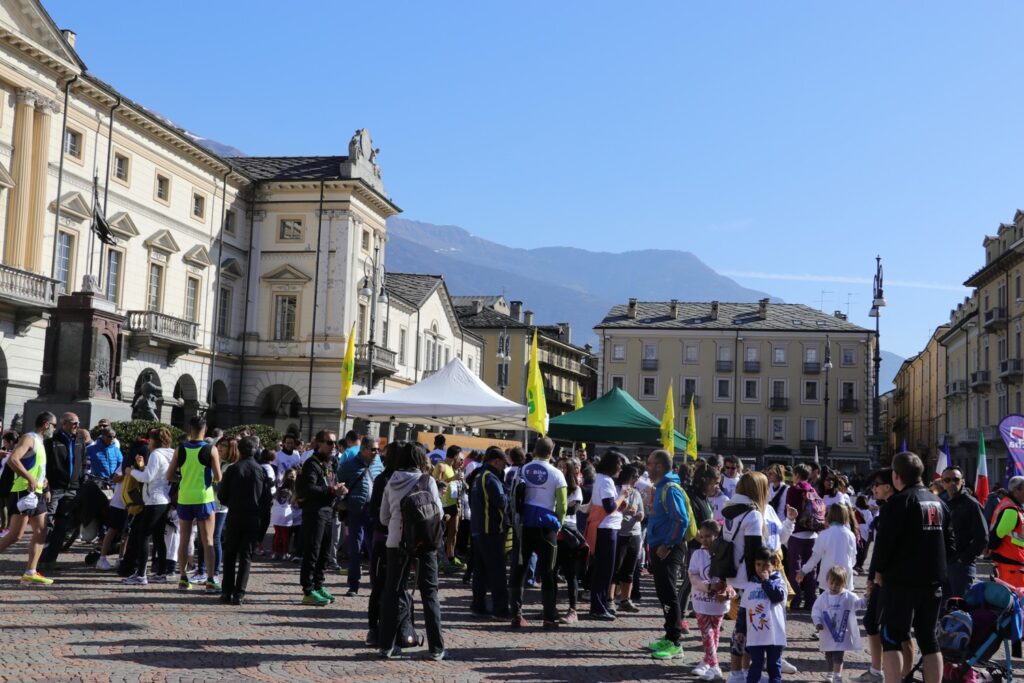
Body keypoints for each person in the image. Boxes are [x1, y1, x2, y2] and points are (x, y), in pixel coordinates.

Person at [873, 451, 955, 683]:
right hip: (933, 580)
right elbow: (951, 545)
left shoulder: (898, 503)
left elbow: (884, 544)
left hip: (901, 581)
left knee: (891, 636)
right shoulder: (940, 502)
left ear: (896, 476)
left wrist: (878, 572)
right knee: (929, 638)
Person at [379, 441, 446, 661]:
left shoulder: (391, 482)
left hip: (397, 541)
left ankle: (386, 645)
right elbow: (437, 510)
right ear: (420, 460)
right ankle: (436, 647)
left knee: (392, 592)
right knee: (430, 593)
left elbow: (383, 518)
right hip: (424, 541)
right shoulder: (427, 481)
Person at [857, 468, 913, 683]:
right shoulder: (885, 509)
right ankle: (875, 669)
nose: (873, 489)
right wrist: (871, 577)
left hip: (896, 579)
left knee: (901, 630)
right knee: (871, 621)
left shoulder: (900, 507)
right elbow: (880, 548)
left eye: (877, 485)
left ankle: (904, 674)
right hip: (880, 574)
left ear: (889, 486)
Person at [509, 436, 567, 630]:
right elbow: (563, 504)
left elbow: (513, 497)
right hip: (546, 527)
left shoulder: (522, 470)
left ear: (534, 451)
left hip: (524, 525)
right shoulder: (557, 473)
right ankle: (549, 618)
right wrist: (558, 523)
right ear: (551, 453)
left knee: (519, 570)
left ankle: (516, 615)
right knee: (548, 573)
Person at [167, 416, 222, 592]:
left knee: (184, 539)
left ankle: (183, 578)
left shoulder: (180, 449)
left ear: (190, 429)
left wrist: (182, 479)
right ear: (205, 429)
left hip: (184, 497)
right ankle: (211, 579)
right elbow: (218, 477)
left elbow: (169, 476)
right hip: (203, 498)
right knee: (208, 541)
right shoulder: (210, 449)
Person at [644, 448, 690, 660]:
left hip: (668, 548)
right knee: (663, 593)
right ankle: (669, 634)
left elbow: (681, 520)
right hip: (660, 546)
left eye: (650, 463)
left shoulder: (670, 488)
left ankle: (675, 642)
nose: (647, 466)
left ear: (660, 466)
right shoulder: (662, 487)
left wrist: (668, 545)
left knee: (669, 593)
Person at [0, 412, 56, 584]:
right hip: (22, 492)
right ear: (46, 424)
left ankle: (30, 571)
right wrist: (29, 478)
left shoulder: (40, 442)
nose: (55, 429)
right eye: (53, 425)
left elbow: (37, 468)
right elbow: (13, 460)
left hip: (36, 494)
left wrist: (44, 484)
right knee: (16, 535)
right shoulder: (29, 438)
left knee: (41, 531)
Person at [297, 430, 347, 606]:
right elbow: (310, 488)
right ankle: (308, 590)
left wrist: (339, 489)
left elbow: (331, 482)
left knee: (325, 551)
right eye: (329, 442)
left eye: (334, 443)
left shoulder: (331, 462)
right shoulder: (311, 464)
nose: (333, 446)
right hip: (315, 512)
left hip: (328, 511)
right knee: (313, 551)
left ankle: (319, 584)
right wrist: (332, 490)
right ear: (319, 444)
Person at [217, 435, 268, 605]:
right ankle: (239, 593)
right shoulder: (261, 470)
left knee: (230, 554)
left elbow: (222, 495)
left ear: (239, 450)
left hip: (235, 516)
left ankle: (226, 592)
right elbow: (266, 500)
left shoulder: (233, 469)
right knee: (246, 556)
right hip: (253, 517)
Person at [123, 427, 174, 584]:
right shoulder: (170, 454)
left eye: (150, 439)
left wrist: (131, 471)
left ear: (155, 441)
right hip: (164, 499)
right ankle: (161, 572)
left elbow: (148, 477)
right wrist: (142, 467)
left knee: (143, 536)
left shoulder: (156, 454)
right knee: (158, 537)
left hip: (154, 500)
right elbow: (156, 474)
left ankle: (141, 574)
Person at [39, 412, 89, 569]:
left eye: (78, 423)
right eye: (74, 423)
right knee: (47, 525)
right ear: (64, 424)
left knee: (62, 526)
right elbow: (44, 467)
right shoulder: (51, 441)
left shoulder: (79, 441)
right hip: (54, 489)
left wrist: (80, 484)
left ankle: (50, 560)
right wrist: (46, 488)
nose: (77, 426)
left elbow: (82, 464)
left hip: (72, 490)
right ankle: (38, 560)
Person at [336, 436, 384, 596]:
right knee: (355, 548)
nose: (376, 452)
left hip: (374, 511)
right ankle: (354, 584)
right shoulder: (347, 466)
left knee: (375, 549)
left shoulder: (378, 463)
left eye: (378, 449)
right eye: (373, 449)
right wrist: (340, 502)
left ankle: (376, 583)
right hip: (356, 510)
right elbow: (337, 485)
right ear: (363, 450)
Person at [585, 449, 629, 621]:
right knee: (604, 570)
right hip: (605, 528)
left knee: (607, 570)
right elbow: (609, 506)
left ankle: (601, 604)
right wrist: (623, 495)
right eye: (619, 465)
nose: (620, 469)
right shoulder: (605, 481)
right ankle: (597, 607)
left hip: (608, 527)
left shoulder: (604, 479)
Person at [689, 520, 734, 680]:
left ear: (717, 535)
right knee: (706, 632)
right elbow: (693, 575)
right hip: (701, 600)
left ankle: (706, 661)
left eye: (708, 536)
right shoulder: (697, 554)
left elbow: (731, 578)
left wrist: (728, 590)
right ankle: (715, 665)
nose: (704, 540)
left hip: (719, 603)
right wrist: (707, 587)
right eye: (702, 537)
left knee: (714, 633)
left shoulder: (726, 553)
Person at [469, 445, 510, 619]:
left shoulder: (478, 475)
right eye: (503, 463)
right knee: (497, 572)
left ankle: (478, 606)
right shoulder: (490, 477)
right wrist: (511, 494)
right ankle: (500, 610)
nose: (504, 467)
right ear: (496, 461)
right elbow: (502, 502)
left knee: (480, 572)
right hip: (491, 530)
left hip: (478, 529)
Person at [939, 465, 987, 599]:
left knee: (960, 608)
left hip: (961, 566)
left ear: (963, 481)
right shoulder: (942, 502)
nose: (952, 483)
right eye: (947, 480)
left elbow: (982, 537)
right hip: (944, 563)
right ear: (942, 483)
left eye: (956, 479)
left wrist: (964, 558)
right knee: (944, 607)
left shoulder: (971, 504)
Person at [812, 566, 867, 683]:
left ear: (844, 584)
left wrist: (868, 597)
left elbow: (860, 604)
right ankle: (830, 673)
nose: (833, 586)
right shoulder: (823, 597)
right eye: (831, 583)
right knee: (829, 655)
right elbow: (816, 611)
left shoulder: (848, 596)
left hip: (841, 634)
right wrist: (817, 622)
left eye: (837, 584)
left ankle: (837, 676)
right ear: (827, 581)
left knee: (838, 655)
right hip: (828, 633)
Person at [742, 547, 787, 683]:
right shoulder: (750, 584)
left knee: (774, 664)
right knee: (756, 664)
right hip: (756, 634)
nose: (762, 568)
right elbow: (744, 609)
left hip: (774, 634)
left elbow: (777, 597)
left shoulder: (778, 581)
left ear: (774, 565)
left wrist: (766, 582)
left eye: (766, 565)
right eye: (758, 564)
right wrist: (740, 630)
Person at [785, 463, 822, 610]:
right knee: (811, 568)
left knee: (795, 567)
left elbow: (787, 510)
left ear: (797, 475)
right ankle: (810, 600)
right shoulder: (813, 490)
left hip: (797, 532)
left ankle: (794, 600)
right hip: (813, 533)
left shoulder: (793, 490)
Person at [554, 455, 586, 624]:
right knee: (550, 573)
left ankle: (573, 610)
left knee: (570, 574)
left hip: (567, 536)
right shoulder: (551, 486)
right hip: (553, 535)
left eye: (564, 467)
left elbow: (571, 511)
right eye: (558, 466)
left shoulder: (575, 490)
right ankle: (550, 607)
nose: (560, 470)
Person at [798, 503, 856, 590]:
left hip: (828, 579)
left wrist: (803, 571)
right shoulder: (851, 535)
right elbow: (853, 558)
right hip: (845, 577)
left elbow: (815, 557)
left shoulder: (824, 534)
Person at [613, 463, 645, 613]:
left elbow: (642, 512)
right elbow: (612, 508)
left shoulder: (637, 493)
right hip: (620, 533)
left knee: (630, 569)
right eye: (634, 476)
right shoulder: (617, 490)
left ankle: (625, 599)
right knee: (616, 568)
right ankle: (610, 599)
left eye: (638, 476)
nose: (636, 479)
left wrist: (639, 515)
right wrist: (625, 511)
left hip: (635, 534)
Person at [432, 445, 465, 571]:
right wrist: (452, 479)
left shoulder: (453, 467)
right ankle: (441, 560)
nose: (460, 460)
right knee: (441, 534)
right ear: (455, 456)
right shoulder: (441, 466)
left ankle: (451, 557)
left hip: (453, 503)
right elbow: (436, 484)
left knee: (454, 531)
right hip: (443, 505)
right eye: (459, 457)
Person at [988, 475, 1024, 590]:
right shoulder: (1011, 510)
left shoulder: (1009, 505)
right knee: (1016, 600)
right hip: (1011, 564)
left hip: (1010, 562)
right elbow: (999, 534)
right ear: (1016, 491)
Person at [271, 471, 299, 560]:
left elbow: (273, 499)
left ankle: (274, 553)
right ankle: (284, 553)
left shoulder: (279, 489)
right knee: (285, 535)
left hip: (276, 514)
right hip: (285, 515)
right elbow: (292, 503)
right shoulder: (293, 491)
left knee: (277, 534)